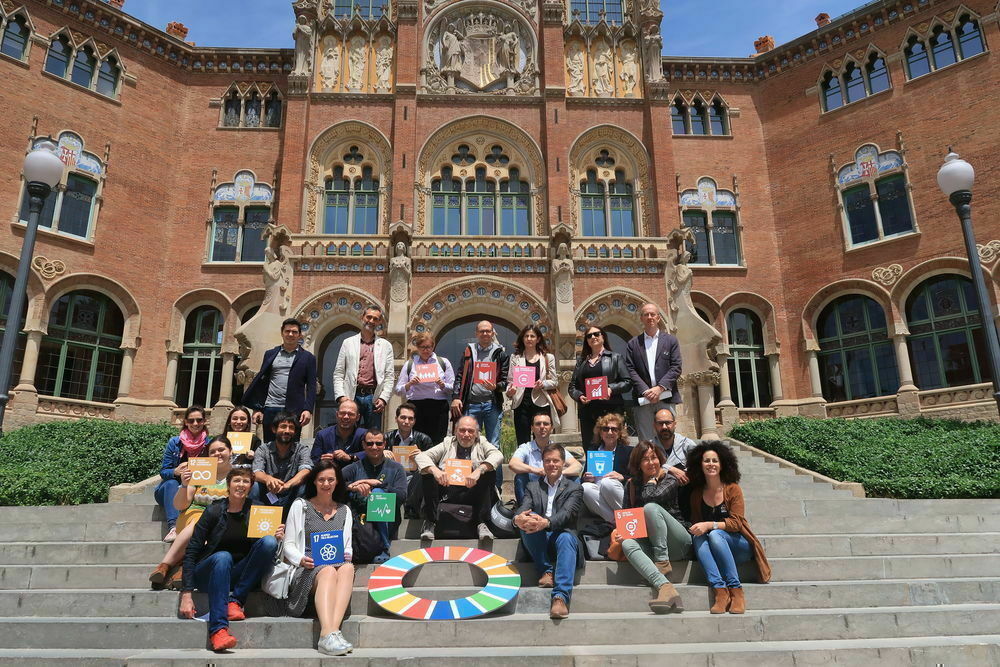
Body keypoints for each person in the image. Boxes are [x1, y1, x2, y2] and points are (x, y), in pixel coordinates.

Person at [178, 467, 281, 652]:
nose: (241, 485)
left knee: (269, 542)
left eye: (246, 481)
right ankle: (218, 630)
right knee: (223, 557)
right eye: (236, 481)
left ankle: (236, 601)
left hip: (238, 573)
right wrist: (186, 594)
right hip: (209, 573)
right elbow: (192, 550)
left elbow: (261, 550)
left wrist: (275, 536)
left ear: (250, 486)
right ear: (228, 484)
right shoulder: (213, 511)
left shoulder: (257, 509)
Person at [280, 460, 357, 656]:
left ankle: (333, 631)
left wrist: (346, 554)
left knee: (348, 568)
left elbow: (348, 547)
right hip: (306, 568)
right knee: (328, 571)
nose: (326, 484)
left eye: (331, 479)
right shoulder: (301, 506)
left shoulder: (344, 511)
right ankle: (326, 634)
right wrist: (300, 559)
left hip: (334, 563)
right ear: (314, 482)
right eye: (321, 479)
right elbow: (288, 545)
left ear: (337, 482)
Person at [686, 441, 772, 614]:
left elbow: (736, 524)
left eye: (715, 460)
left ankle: (736, 590)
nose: (711, 464)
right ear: (700, 465)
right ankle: (720, 591)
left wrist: (710, 525)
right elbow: (697, 525)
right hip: (713, 546)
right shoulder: (696, 494)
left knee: (716, 534)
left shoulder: (732, 489)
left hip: (738, 545)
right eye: (706, 461)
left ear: (722, 463)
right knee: (700, 537)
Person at [149, 435, 235, 590]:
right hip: (192, 517)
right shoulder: (200, 471)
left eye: (221, 449)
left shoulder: (237, 476)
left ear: (230, 451)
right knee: (200, 522)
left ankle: (180, 567)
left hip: (221, 521)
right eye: (213, 451)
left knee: (209, 526)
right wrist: (184, 485)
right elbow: (180, 504)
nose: (217, 454)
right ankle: (165, 566)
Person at [620, 440, 692, 614]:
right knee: (627, 544)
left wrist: (652, 481)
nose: (651, 462)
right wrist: (622, 532)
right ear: (638, 464)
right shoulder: (631, 484)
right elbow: (626, 514)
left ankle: (662, 562)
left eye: (654, 458)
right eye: (645, 459)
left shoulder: (669, 479)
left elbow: (652, 498)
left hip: (678, 542)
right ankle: (665, 587)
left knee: (650, 508)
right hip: (651, 541)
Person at [513, 443, 584, 620]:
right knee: (528, 519)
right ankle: (546, 571)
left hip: (562, 537)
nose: (551, 464)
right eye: (547, 461)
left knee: (566, 537)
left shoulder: (574, 488)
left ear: (563, 463)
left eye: (556, 461)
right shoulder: (532, 486)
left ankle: (560, 597)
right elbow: (524, 507)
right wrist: (518, 518)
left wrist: (546, 522)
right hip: (538, 539)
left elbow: (567, 515)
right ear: (542, 463)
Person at [413, 415, 503, 541]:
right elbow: (421, 457)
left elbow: (498, 455)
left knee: (488, 471)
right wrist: (435, 470)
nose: (466, 434)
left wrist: (479, 470)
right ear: (456, 431)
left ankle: (481, 523)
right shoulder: (447, 443)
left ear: (476, 433)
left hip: (472, 490)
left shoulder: (482, 443)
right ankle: (430, 523)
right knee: (427, 472)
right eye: (462, 430)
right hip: (447, 489)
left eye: (470, 431)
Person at [243, 318, 317, 442]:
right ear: (282, 333)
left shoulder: (308, 358)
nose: (290, 334)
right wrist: (258, 408)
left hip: (294, 410)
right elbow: (262, 383)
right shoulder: (270, 354)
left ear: (299, 335)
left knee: (291, 446)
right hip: (271, 407)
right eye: (287, 331)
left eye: (294, 332)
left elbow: (311, 386)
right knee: (270, 445)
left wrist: (308, 409)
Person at [342, 429, 407, 564]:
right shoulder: (354, 468)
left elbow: (402, 496)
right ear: (363, 445)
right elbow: (334, 484)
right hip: (361, 519)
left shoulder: (396, 468)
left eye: (378, 443)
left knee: (378, 494)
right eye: (370, 443)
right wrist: (352, 486)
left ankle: (385, 546)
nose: (374, 447)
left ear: (385, 445)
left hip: (387, 519)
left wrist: (379, 485)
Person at [625, 304, 682, 443]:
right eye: (646, 314)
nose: (649, 317)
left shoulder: (670, 341)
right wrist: (646, 391)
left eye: (652, 314)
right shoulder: (633, 344)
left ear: (658, 318)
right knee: (646, 441)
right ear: (641, 318)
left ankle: (668, 465)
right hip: (643, 399)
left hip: (666, 397)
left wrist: (659, 388)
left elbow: (676, 367)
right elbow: (630, 369)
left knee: (667, 438)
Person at [450, 320, 509, 455]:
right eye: (482, 331)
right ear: (476, 333)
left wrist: (496, 387)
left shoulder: (501, 354)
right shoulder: (468, 352)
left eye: (488, 331)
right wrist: (455, 397)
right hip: (471, 404)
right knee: (466, 443)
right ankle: (469, 476)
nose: (485, 334)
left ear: (493, 333)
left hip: (492, 404)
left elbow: (505, 382)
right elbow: (460, 376)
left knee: (494, 445)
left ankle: (494, 477)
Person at [569, 326, 632, 450]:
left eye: (596, 334)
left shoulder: (615, 357)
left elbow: (627, 382)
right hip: (588, 412)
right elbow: (572, 387)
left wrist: (611, 389)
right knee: (590, 448)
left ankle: (615, 469)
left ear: (603, 336)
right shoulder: (581, 361)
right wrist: (580, 396)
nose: (593, 337)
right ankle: (592, 470)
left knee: (613, 446)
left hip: (610, 410)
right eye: (589, 336)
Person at [334, 306, 395, 430]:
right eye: (369, 317)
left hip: (373, 398)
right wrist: (341, 396)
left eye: (375, 319)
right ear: (362, 317)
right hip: (352, 396)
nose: (371, 321)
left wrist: (383, 398)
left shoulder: (385, 346)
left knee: (373, 435)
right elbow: (339, 373)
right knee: (348, 432)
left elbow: (389, 376)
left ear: (379, 322)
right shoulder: (348, 343)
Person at [155, 405, 210, 543]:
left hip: (194, 491)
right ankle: (173, 527)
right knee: (172, 483)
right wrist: (175, 471)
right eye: (191, 421)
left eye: (199, 420)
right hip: (170, 491)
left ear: (204, 421)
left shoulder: (209, 444)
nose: (195, 424)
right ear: (185, 422)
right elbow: (163, 472)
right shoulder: (175, 443)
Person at [394, 332, 454, 445]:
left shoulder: (443, 363)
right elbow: (397, 390)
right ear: (417, 347)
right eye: (423, 347)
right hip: (416, 406)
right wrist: (409, 384)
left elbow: (452, 388)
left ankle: (434, 463)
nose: (426, 350)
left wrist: (442, 384)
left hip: (438, 407)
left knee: (438, 441)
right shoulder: (410, 364)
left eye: (429, 347)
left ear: (433, 346)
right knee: (417, 441)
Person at [509, 412, 582, 504]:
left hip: (555, 488)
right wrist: (536, 470)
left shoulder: (558, 449)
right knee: (520, 477)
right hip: (534, 489)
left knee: (575, 478)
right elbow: (513, 464)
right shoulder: (525, 448)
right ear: (532, 428)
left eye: (546, 424)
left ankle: (571, 513)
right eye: (538, 424)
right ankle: (525, 512)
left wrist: (558, 473)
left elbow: (577, 466)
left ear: (551, 428)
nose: (542, 427)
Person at [507, 324, 560, 447]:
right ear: (522, 338)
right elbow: (511, 380)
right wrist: (511, 389)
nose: (529, 339)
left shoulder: (547, 357)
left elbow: (554, 381)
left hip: (541, 402)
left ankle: (543, 463)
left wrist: (543, 384)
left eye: (532, 336)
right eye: (526, 336)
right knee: (523, 440)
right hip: (521, 402)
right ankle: (525, 465)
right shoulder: (515, 357)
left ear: (538, 339)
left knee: (542, 438)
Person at [251, 412, 313, 515]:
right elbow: (257, 472)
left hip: (291, 495)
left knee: (304, 487)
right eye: (283, 427)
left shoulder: (302, 449)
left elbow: (306, 469)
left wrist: (288, 484)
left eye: (291, 428)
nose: (287, 431)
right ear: (274, 429)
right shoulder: (263, 449)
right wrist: (269, 479)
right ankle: (253, 521)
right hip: (268, 494)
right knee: (255, 486)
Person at [580, 413, 633, 523]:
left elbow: (637, 476)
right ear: (600, 432)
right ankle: (618, 523)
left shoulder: (628, 451)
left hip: (616, 492)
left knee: (607, 482)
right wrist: (587, 478)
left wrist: (622, 476)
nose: (609, 432)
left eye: (614, 429)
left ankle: (627, 518)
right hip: (598, 495)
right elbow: (583, 477)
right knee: (585, 487)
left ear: (619, 433)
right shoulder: (594, 450)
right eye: (605, 429)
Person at [385, 402, 434, 518]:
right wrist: (381, 453)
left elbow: (434, 462)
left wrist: (423, 455)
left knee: (424, 474)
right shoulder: (385, 438)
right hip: (393, 477)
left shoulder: (424, 439)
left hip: (414, 478)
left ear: (414, 421)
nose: (406, 421)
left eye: (410, 418)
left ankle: (410, 510)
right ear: (396, 419)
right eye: (403, 417)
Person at [311, 399, 368, 466]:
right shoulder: (322, 435)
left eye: (350, 414)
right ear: (337, 415)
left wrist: (351, 457)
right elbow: (314, 459)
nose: (346, 417)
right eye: (342, 413)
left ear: (357, 417)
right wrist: (322, 461)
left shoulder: (364, 434)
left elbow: (374, 453)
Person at [653, 406, 698, 483]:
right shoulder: (649, 446)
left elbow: (699, 463)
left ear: (675, 424)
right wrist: (669, 469)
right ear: (654, 425)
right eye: (660, 423)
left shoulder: (687, 444)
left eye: (668, 423)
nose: (664, 427)